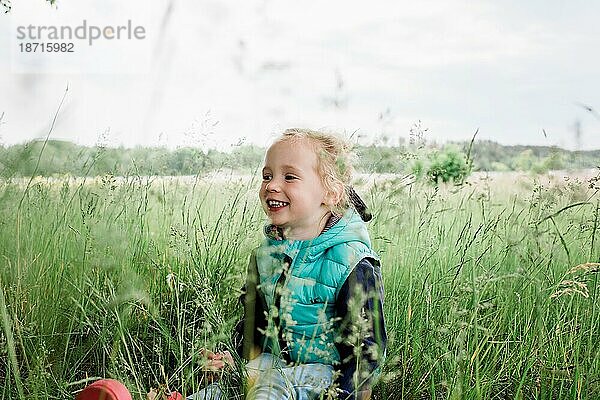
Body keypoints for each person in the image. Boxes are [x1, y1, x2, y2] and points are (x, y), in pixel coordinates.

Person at [189, 128, 386, 400]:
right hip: (276, 364)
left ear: (330, 193)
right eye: (267, 176)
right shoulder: (265, 256)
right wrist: (233, 360)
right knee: (230, 387)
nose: (271, 185)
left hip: (330, 376)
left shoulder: (351, 261)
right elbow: (252, 326)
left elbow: (365, 353)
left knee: (271, 386)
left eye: (289, 177)